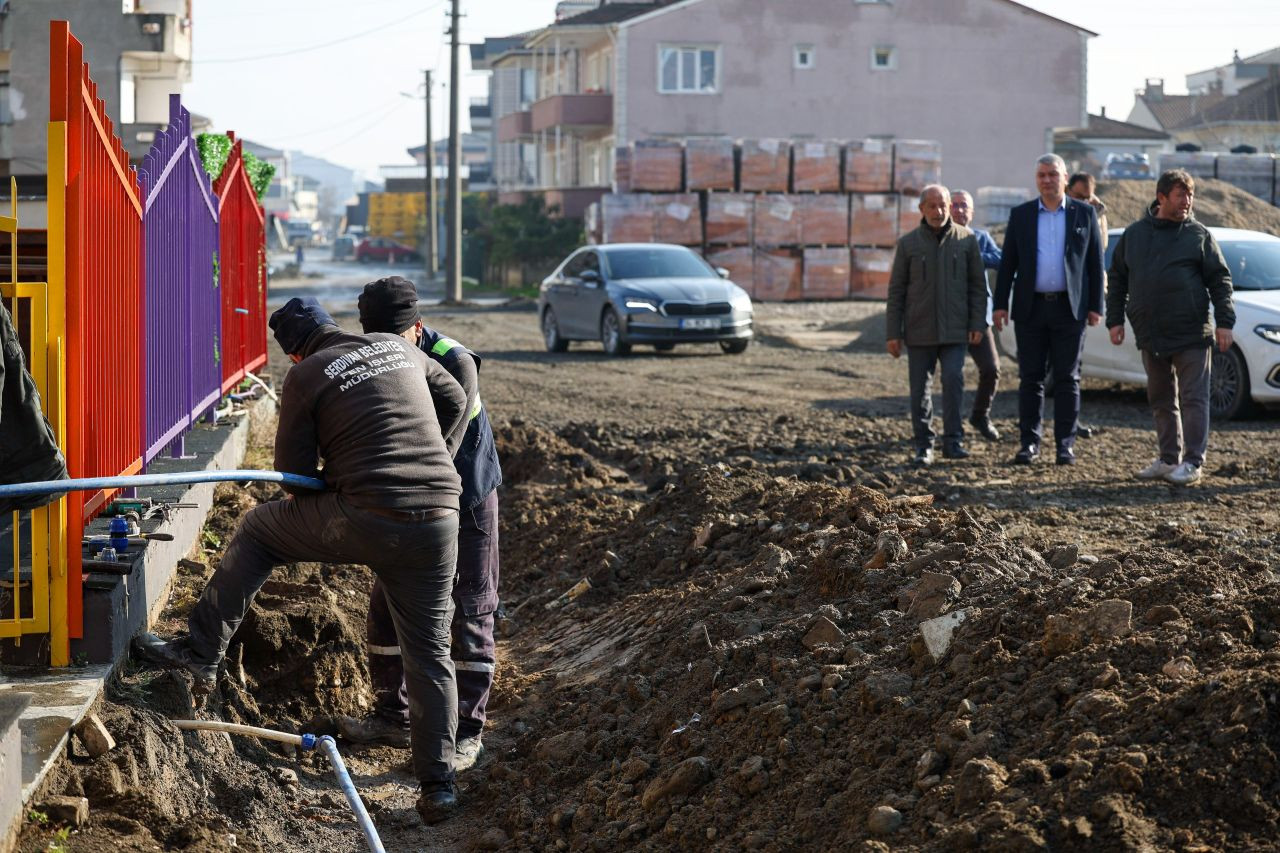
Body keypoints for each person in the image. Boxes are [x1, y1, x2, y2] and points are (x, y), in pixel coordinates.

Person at [134, 296, 470, 823]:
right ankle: (438, 785)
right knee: (429, 652)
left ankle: (198, 654)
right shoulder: (392, 345)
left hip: (366, 515)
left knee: (257, 529)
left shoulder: (308, 374)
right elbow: (455, 392)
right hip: (440, 517)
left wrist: (342, 476)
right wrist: (436, 460)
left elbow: (292, 477)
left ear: (292, 354)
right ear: (333, 326)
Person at [331, 276, 502, 775]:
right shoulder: (374, 353)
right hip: (415, 501)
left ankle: (466, 731)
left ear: (418, 328)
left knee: (470, 606)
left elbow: (445, 446)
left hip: (466, 495)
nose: (385, 350)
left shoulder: (455, 361)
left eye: (395, 341)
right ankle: (393, 716)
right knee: (388, 601)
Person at [1106, 169, 1234, 486]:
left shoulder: (1198, 236)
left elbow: (1220, 281)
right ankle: (1167, 459)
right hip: (1151, 333)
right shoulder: (1134, 235)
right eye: (1181, 195)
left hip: (1191, 333)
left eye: (1190, 195)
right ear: (1161, 197)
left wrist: (1225, 322)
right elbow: (1118, 279)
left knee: (1193, 399)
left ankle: (1192, 462)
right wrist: (1115, 320)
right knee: (1161, 398)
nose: (1187, 202)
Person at [993, 154, 1104, 466]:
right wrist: (1000, 304)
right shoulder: (1022, 215)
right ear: (1036, 179)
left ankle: (1065, 446)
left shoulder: (1084, 214)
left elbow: (1094, 263)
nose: (1046, 180)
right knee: (1031, 378)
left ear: (1064, 178)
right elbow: (1008, 265)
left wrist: (1096, 305)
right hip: (1031, 309)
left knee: (1068, 379)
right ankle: (1029, 443)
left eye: (1052, 175)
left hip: (1070, 310)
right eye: (1041, 175)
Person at [885, 185, 987, 466]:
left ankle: (953, 442)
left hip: (956, 330)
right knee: (920, 390)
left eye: (942, 205)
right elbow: (896, 291)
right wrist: (893, 332)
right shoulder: (908, 244)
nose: (938, 211)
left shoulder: (966, 240)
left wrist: (977, 321)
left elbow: (978, 286)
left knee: (953, 381)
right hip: (919, 330)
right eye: (931, 206)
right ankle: (924, 445)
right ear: (921, 209)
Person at [949, 190, 1003, 441]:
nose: (959, 210)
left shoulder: (981, 237)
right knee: (953, 375)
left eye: (964, 206)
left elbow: (1000, 259)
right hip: (950, 319)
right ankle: (953, 428)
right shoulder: (941, 238)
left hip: (980, 318)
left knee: (991, 369)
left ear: (971, 212)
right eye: (955, 205)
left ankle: (980, 414)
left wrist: (975, 256)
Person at [1067, 172, 1109, 251]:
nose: (1084, 202)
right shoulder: (1058, 209)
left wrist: (1098, 211)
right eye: (1079, 196)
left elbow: (1101, 246)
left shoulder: (1096, 212)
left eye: (1087, 198)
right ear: (1069, 190)